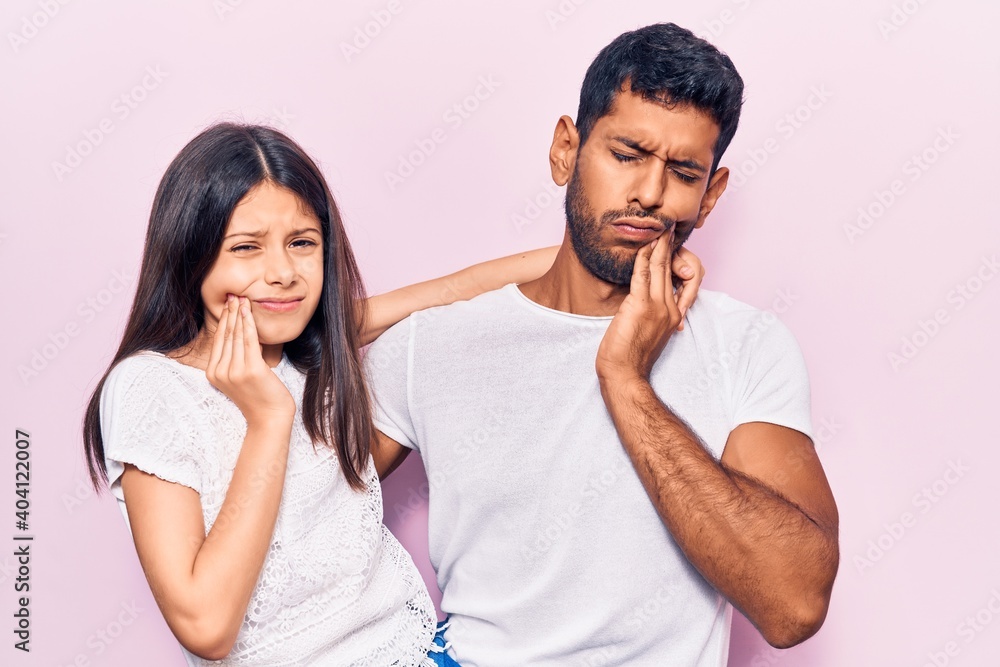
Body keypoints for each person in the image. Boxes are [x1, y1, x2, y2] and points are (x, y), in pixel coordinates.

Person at [81, 123, 706, 666]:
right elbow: (206, 626)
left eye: (302, 242)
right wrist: (267, 417)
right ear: (191, 258)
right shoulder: (150, 388)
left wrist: (649, 258)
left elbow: (457, 290)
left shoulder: (313, 345)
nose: (281, 272)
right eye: (245, 248)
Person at [365, 22, 839, 666]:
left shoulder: (745, 345)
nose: (648, 192)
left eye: (682, 171)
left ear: (711, 195)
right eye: (626, 154)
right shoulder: (432, 344)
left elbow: (793, 604)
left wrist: (626, 378)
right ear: (567, 149)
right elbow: (293, 521)